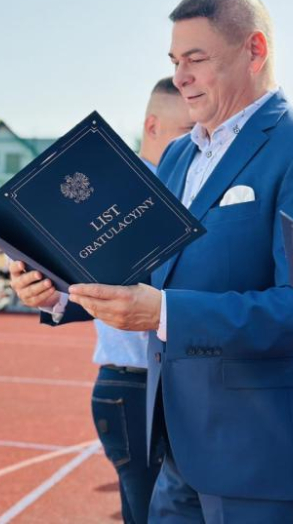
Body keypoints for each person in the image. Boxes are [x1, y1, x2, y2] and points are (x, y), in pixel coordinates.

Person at [11, 0, 293, 522]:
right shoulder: (176, 156)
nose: (180, 77)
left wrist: (167, 312)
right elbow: (145, 270)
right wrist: (59, 292)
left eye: (196, 59)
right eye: (175, 60)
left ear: (255, 50)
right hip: (175, 448)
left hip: (264, 458)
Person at [79, 77, 193, 524]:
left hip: (160, 382)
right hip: (136, 382)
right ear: (153, 126)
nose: (197, 141)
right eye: (186, 131)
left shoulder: (178, 190)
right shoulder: (131, 196)